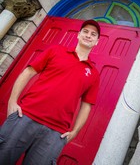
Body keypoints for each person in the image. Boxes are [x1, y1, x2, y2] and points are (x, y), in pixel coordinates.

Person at [0, 19, 101, 165]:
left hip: (56, 133)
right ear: (78, 35)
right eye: (85, 31)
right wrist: (12, 101)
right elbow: (28, 72)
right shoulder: (56, 51)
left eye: (93, 34)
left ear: (97, 41)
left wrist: (75, 132)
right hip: (26, 116)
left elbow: (87, 106)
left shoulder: (93, 73)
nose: (88, 35)